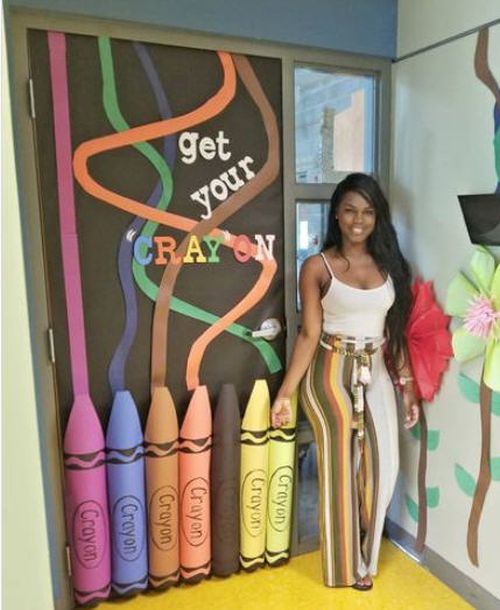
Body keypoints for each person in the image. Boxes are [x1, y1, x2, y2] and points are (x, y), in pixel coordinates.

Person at [271, 173, 419, 591]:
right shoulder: (317, 267)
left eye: (368, 212)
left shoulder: (391, 265)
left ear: (378, 217)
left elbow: (396, 329)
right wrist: (287, 393)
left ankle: (367, 552)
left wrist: (406, 385)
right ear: (336, 213)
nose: (359, 220)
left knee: (383, 466)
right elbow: (307, 335)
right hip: (329, 371)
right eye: (351, 210)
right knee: (338, 468)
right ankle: (345, 568)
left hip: (375, 370)